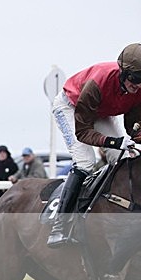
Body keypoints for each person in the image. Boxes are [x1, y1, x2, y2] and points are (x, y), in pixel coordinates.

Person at [47, 43, 141, 247]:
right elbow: (82, 131)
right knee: (85, 162)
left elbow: (133, 127)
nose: (139, 85)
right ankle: (59, 226)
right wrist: (114, 142)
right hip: (72, 107)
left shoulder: (138, 90)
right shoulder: (97, 83)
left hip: (101, 111)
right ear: (124, 73)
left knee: (126, 158)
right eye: (136, 78)